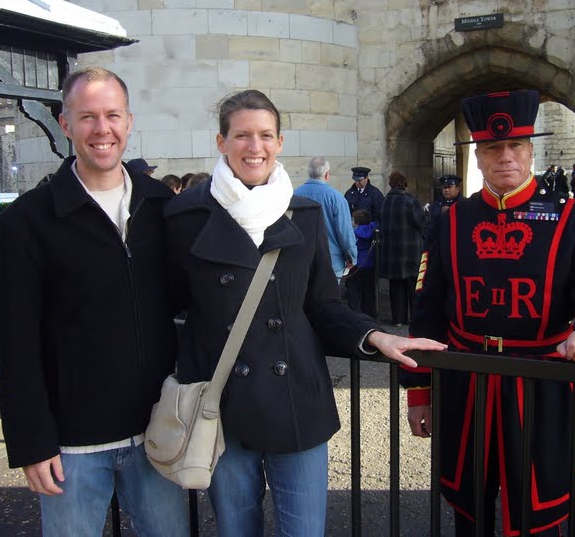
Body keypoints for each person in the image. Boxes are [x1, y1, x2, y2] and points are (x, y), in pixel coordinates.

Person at [164, 89, 446, 537]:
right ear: (221, 142)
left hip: (296, 400)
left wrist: (375, 336)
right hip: (223, 406)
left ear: (279, 142)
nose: (253, 147)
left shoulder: (306, 214)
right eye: (241, 135)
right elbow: (172, 306)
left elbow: (322, 305)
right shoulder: (183, 217)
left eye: (265, 135)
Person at [402, 90, 575, 537]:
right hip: (466, 381)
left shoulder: (571, 219)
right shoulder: (449, 221)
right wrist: (419, 393)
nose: (505, 157)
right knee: (469, 508)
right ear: (479, 158)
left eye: (516, 146)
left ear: (529, 151)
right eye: (492, 148)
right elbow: (427, 310)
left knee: (541, 512)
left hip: (543, 382)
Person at [0, 67, 188, 537]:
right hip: (71, 446)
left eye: (112, 115)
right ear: (65, 125)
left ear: (129, 121)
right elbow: (16, 341)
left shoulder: (164, 207)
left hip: (156, 432)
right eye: (87, 117)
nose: (102, 129)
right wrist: (30, 442)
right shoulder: (27, 221)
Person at [294, 156, 358, 281]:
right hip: (331, 261)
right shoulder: (337, 198)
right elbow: (344, 232)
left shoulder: (294, 195)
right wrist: (352, 257)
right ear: (327, 174)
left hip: (302, 259)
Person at [378, 170, 427, 326]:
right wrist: (426, 212)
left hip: (391, 252)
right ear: (404, 184)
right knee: (413, 286)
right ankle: (415, 318)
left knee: (396, 287)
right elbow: (422, 223)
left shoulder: (385, 201)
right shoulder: (410, 201)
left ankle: (398, 319)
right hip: (410, 251)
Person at [345, 209, 378, 318]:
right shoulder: (374, 229)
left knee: (353, 289)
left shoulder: (354, 233)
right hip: (370, 264)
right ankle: (369, 313)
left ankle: (354, 313)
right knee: (368, 290)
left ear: (356, 222)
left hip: (356, 264)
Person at [426, 174, 465, 244]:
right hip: (440, 245)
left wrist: (452, 212)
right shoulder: (436, 205)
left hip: (459, 243)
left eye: (450, 187)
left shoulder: (465, 204)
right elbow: (430, 228)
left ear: (458, 189)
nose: (447, 190)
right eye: (445, 187)